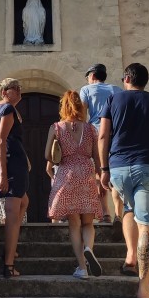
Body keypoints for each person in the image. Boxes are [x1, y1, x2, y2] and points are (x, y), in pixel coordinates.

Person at [98, 63, 149, 298]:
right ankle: (144, 288)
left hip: (119, 168)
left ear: (126, 79)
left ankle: (131, 257)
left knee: (130, 209)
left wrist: (103, 169)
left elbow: (103, 136)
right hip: (147, 166)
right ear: (145, 81)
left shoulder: (113, 100)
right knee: (147, 225)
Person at [44, 90, 104, 279]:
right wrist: (101, 177)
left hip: (67, 174)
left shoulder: (56, 127)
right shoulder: (90, 129)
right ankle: (88, 248)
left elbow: (47, 156)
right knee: (88, 222)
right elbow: (97, 157)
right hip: (86, 173)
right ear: (80, 107)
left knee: (74, 224)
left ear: (63, 106)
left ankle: (82, 268)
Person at [0, 77, 29, 277]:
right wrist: (3, 174)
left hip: (12, 161)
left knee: (23, 202)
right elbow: (1, 140)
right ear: (4, 92)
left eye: (19, 88)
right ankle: (8, 263)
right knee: (12, 210)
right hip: (11, 164)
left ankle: (11, 248)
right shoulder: (7, 109)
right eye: (14, 88)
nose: (19, 91)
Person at [79, 63, 124, 224]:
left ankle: (105, 213)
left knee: (100, 173)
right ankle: (120, 213)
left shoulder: (86, 90)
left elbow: (82, 115)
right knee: (117, 172)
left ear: (92, 76)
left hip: (97, 133)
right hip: (116, 134)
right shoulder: (117, 90)